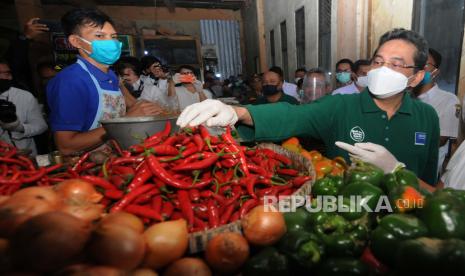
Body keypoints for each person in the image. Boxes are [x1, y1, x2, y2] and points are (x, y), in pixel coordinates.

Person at [176, 28, 440, 185]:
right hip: (346, 218)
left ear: (415, 77)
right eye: (378, 61)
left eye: (395, 64)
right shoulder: (340, 106)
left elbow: (428, 187)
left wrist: (396, 172)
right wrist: (239, 112)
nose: (382, 69)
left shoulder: (427, 116)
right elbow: (293, 114)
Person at [47, 8, 162, 155]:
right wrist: (126, 120)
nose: (111, 42)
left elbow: (132, 104)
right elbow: (66, 146)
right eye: (100, 36)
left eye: (113, 36)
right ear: (76, 41)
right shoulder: (71, 81)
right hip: (85, 168)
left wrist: (154, 109)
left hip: (114, 159)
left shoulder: (111, 75)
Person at [413, 48, 460, 176]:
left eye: (425, 64)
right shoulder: (404, 96)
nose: (419, 68)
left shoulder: (448, 100)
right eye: (416, 63)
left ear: (435, 72)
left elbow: (441, 139)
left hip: (427, 169)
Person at [0, 60, 47, 156]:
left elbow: (41, 126)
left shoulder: (24, 96)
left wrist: (19, 128)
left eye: (5, 73)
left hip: (26, 158)